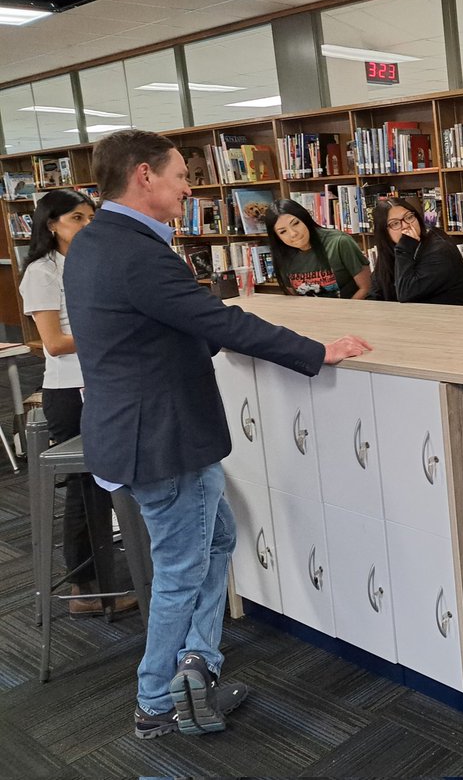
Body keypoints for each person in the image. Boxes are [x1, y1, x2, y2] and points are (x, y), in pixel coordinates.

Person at [62, 129, 372, 740]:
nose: (188, 188)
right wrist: (316, 350)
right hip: (164, 440)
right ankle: (155, 701)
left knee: (218, 538)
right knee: (182, 568)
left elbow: (157, 329)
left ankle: (195, 667)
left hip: (138, 432)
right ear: (144, 175)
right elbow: (211, 319)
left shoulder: (95, 243)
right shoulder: (135, 250)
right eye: (179, 175)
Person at [19, 189, 138, 617]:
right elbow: (53, 342)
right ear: (51, 224)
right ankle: (86, 589)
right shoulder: (42, 271)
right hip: (72, 392)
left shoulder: (90, 263)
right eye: (76, 218)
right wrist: (115, 334)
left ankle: (112, 575)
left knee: (111, 486)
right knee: (86, 491)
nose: (87, 225)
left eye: (91, 217)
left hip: (105, 383)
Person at [366, 197, 463, 305]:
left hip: (447, 318)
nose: (406, 225)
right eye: (395, 224)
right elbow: (375, 292)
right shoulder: (392, 249)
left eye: (409, 217)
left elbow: (406, 294)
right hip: (409, 318)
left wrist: (405, 248)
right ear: (384, 232)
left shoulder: (441, 250)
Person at [265, 199, 370, 299]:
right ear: (277, 237)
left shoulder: (339, 242)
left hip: (349, 311)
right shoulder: (282, 254)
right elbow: (293, 298)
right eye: (283, 232)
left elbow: (366, 288)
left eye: (296, 223)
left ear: (305, 219)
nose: (293, 234)